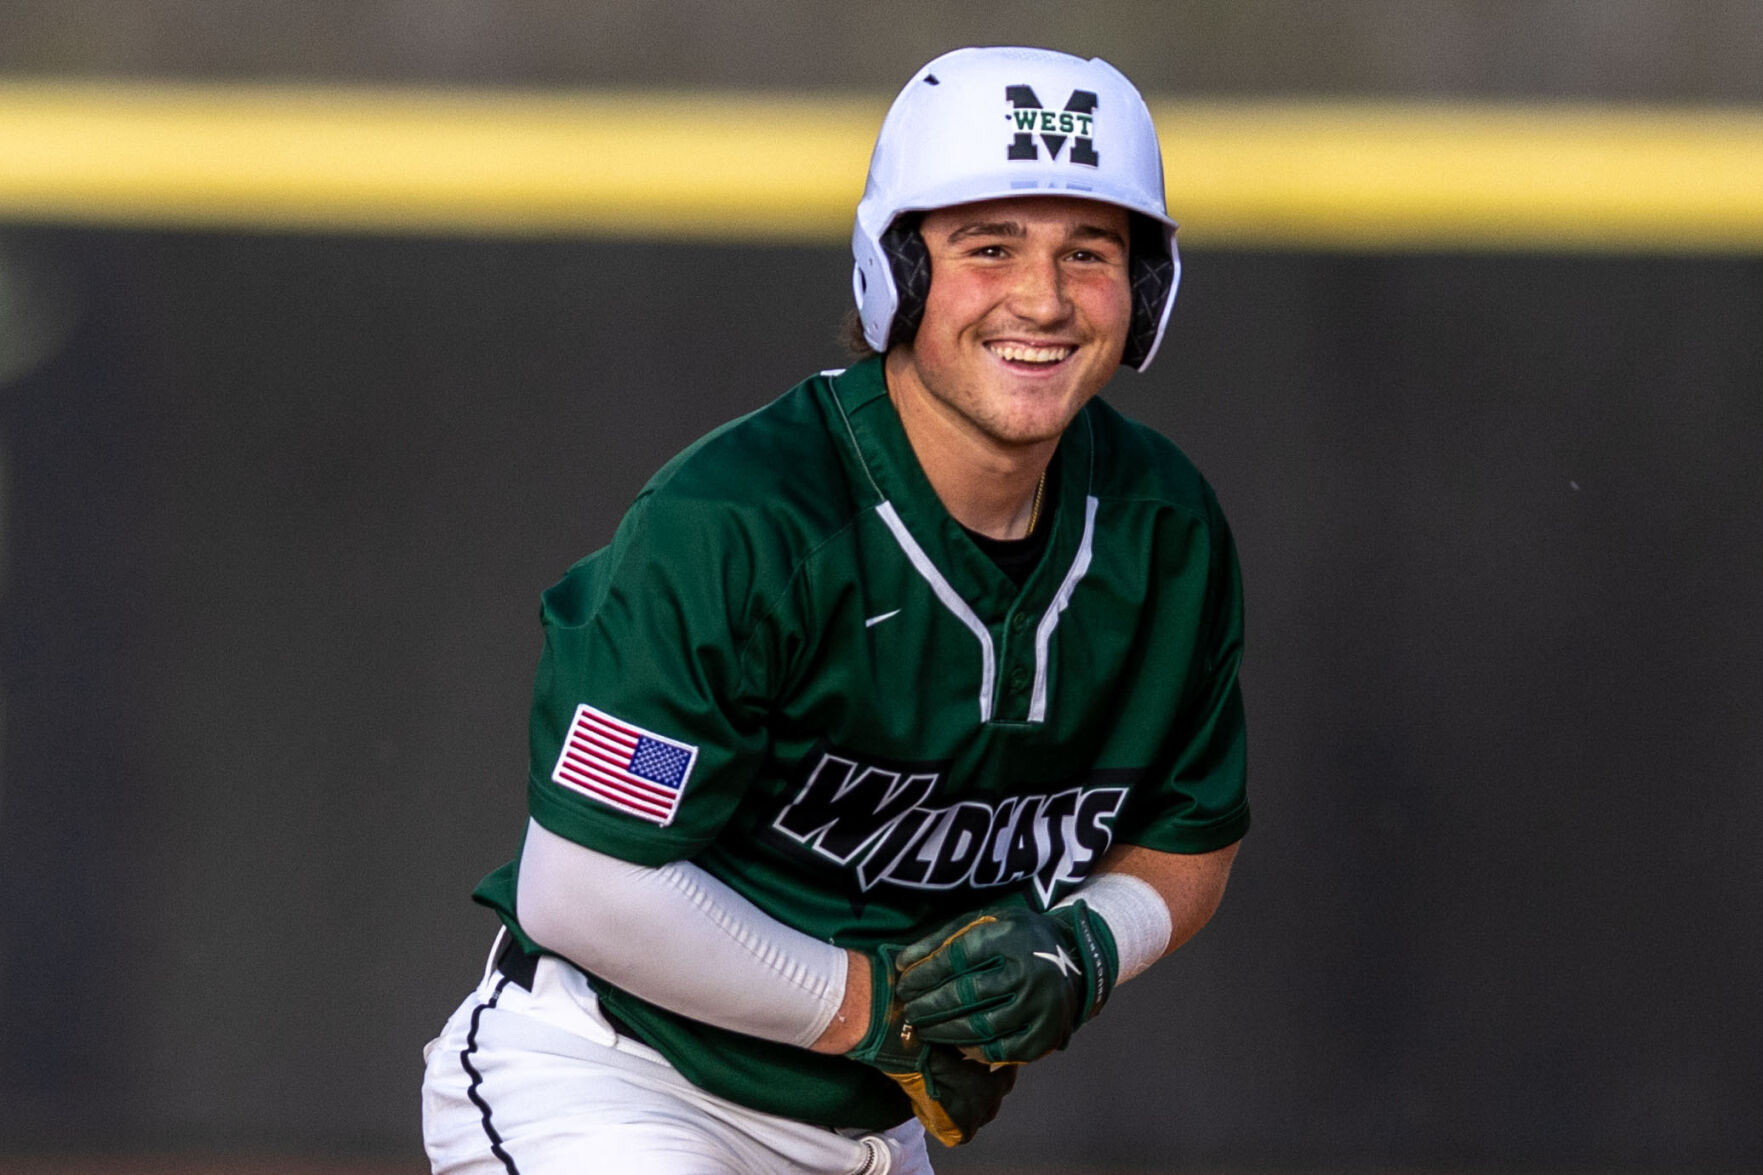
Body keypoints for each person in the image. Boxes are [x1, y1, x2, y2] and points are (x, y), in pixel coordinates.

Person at [421, 44, 1249, 1175]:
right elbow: (584, 885)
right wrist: (874, 1006)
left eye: (1088, 253)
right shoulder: (738, 519)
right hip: (608, 1080)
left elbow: (1188, 835)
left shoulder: (1164, 532)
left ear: (1145, 289)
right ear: (896, 271)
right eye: (987, 247)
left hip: (864, 1136)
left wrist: (1078, 950)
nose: (1043, 298)